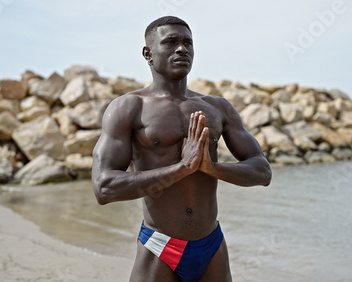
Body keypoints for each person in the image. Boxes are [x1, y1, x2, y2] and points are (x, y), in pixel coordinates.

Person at [92, 16, 272, 282]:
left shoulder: (218, 108)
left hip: (212, 246)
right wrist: (182, 169)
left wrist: (213, 168)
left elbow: (262, 171)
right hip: (160, 245)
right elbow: (104, 187)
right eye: (171, 42)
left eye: (188, 42)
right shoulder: (129, 108)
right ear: (148, 53)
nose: (182, 49)